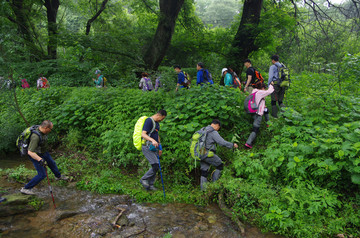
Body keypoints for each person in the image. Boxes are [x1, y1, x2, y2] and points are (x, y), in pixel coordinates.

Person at [20, 120, 67, 195]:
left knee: (52, 163)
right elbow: (30, 152)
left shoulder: (42, 130)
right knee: (42, 174)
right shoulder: (35, 137)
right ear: (45, 128)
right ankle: (26, 188)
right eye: (50, 129)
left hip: (43, 152)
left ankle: (58, 176)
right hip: (35, 155)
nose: (51, 130)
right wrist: (40, 160)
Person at [199, 119, 238, 190]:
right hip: (208, 154)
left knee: (204, 172)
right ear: (217, 125)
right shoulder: (213, 132)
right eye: (218, 128)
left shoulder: (203, 130)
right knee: (220, 165)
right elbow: (221, 142)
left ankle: (203, 191)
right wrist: (232, 145)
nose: (217, 130)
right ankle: (215, 185)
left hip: (200, 153)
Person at [140, 109, 167, 191]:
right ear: (158, 115)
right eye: (162, 118)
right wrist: (152, 140)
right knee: (155, 165)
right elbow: (143, 134)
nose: (162, 120)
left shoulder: (157, 123)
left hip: (154, 147)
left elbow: (156, 134)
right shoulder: (149, 121)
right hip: (147, 147)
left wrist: (160, 147)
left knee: (156, 166)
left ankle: (150, 185)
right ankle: (144, 179)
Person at [245, 83, 274, 149]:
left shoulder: (254, 92)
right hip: (258, 114)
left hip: (252, 112)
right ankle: (248, 143)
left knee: (266, 109)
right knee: (255, 129)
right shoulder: (260, 92)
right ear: (262, 88)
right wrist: (271, 85)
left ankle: (268, 123)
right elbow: (269, 91)